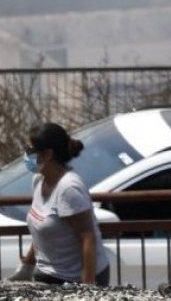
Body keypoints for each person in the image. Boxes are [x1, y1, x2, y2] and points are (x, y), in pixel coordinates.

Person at [11, 122, 111, 286]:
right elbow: (41, 229)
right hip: (47, 273)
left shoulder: (69, 189)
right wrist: (27, 265)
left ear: (48, 154)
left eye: (31, 150)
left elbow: (88, 237)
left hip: (74, 279)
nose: (27, 155)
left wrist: (88, 285)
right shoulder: (39, 181)